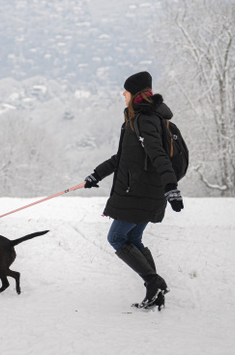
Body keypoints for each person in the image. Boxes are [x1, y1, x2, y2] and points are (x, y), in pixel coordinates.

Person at [83, 71, 183, 310]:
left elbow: (158, 155)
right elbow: (124, 157)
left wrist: (172, 188)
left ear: (135, 94)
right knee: (133, 238)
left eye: (125, 91)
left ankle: (154, 282)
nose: (122, 94)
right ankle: (155, 289)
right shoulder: (140, 118)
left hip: (140, 192)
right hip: (144, 192)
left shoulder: (145, 120)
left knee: (116, 237)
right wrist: (96, 174)